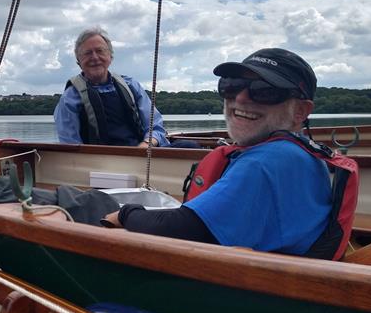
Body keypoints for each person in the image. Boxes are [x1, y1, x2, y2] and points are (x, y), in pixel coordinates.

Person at [102, 47, 352, 258]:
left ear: (300, 111)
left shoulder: (268, 161)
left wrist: (126, 213)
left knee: (82, 209)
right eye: (232, 86)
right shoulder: (300, 154)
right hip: (279, 278)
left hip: (254, 297)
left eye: (265, 91)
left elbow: (179, 229)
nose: (241, 98)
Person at [53, 27, 169, 147]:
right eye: (87, 53)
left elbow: (155, 127)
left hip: (142, 154)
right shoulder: (70, 98)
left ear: (110, 57)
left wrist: (146, 145)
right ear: (79, 61)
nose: (95, 57)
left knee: (187, 145)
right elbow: (70, 145)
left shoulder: (130, 85)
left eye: (100, 51)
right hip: (97, 161)